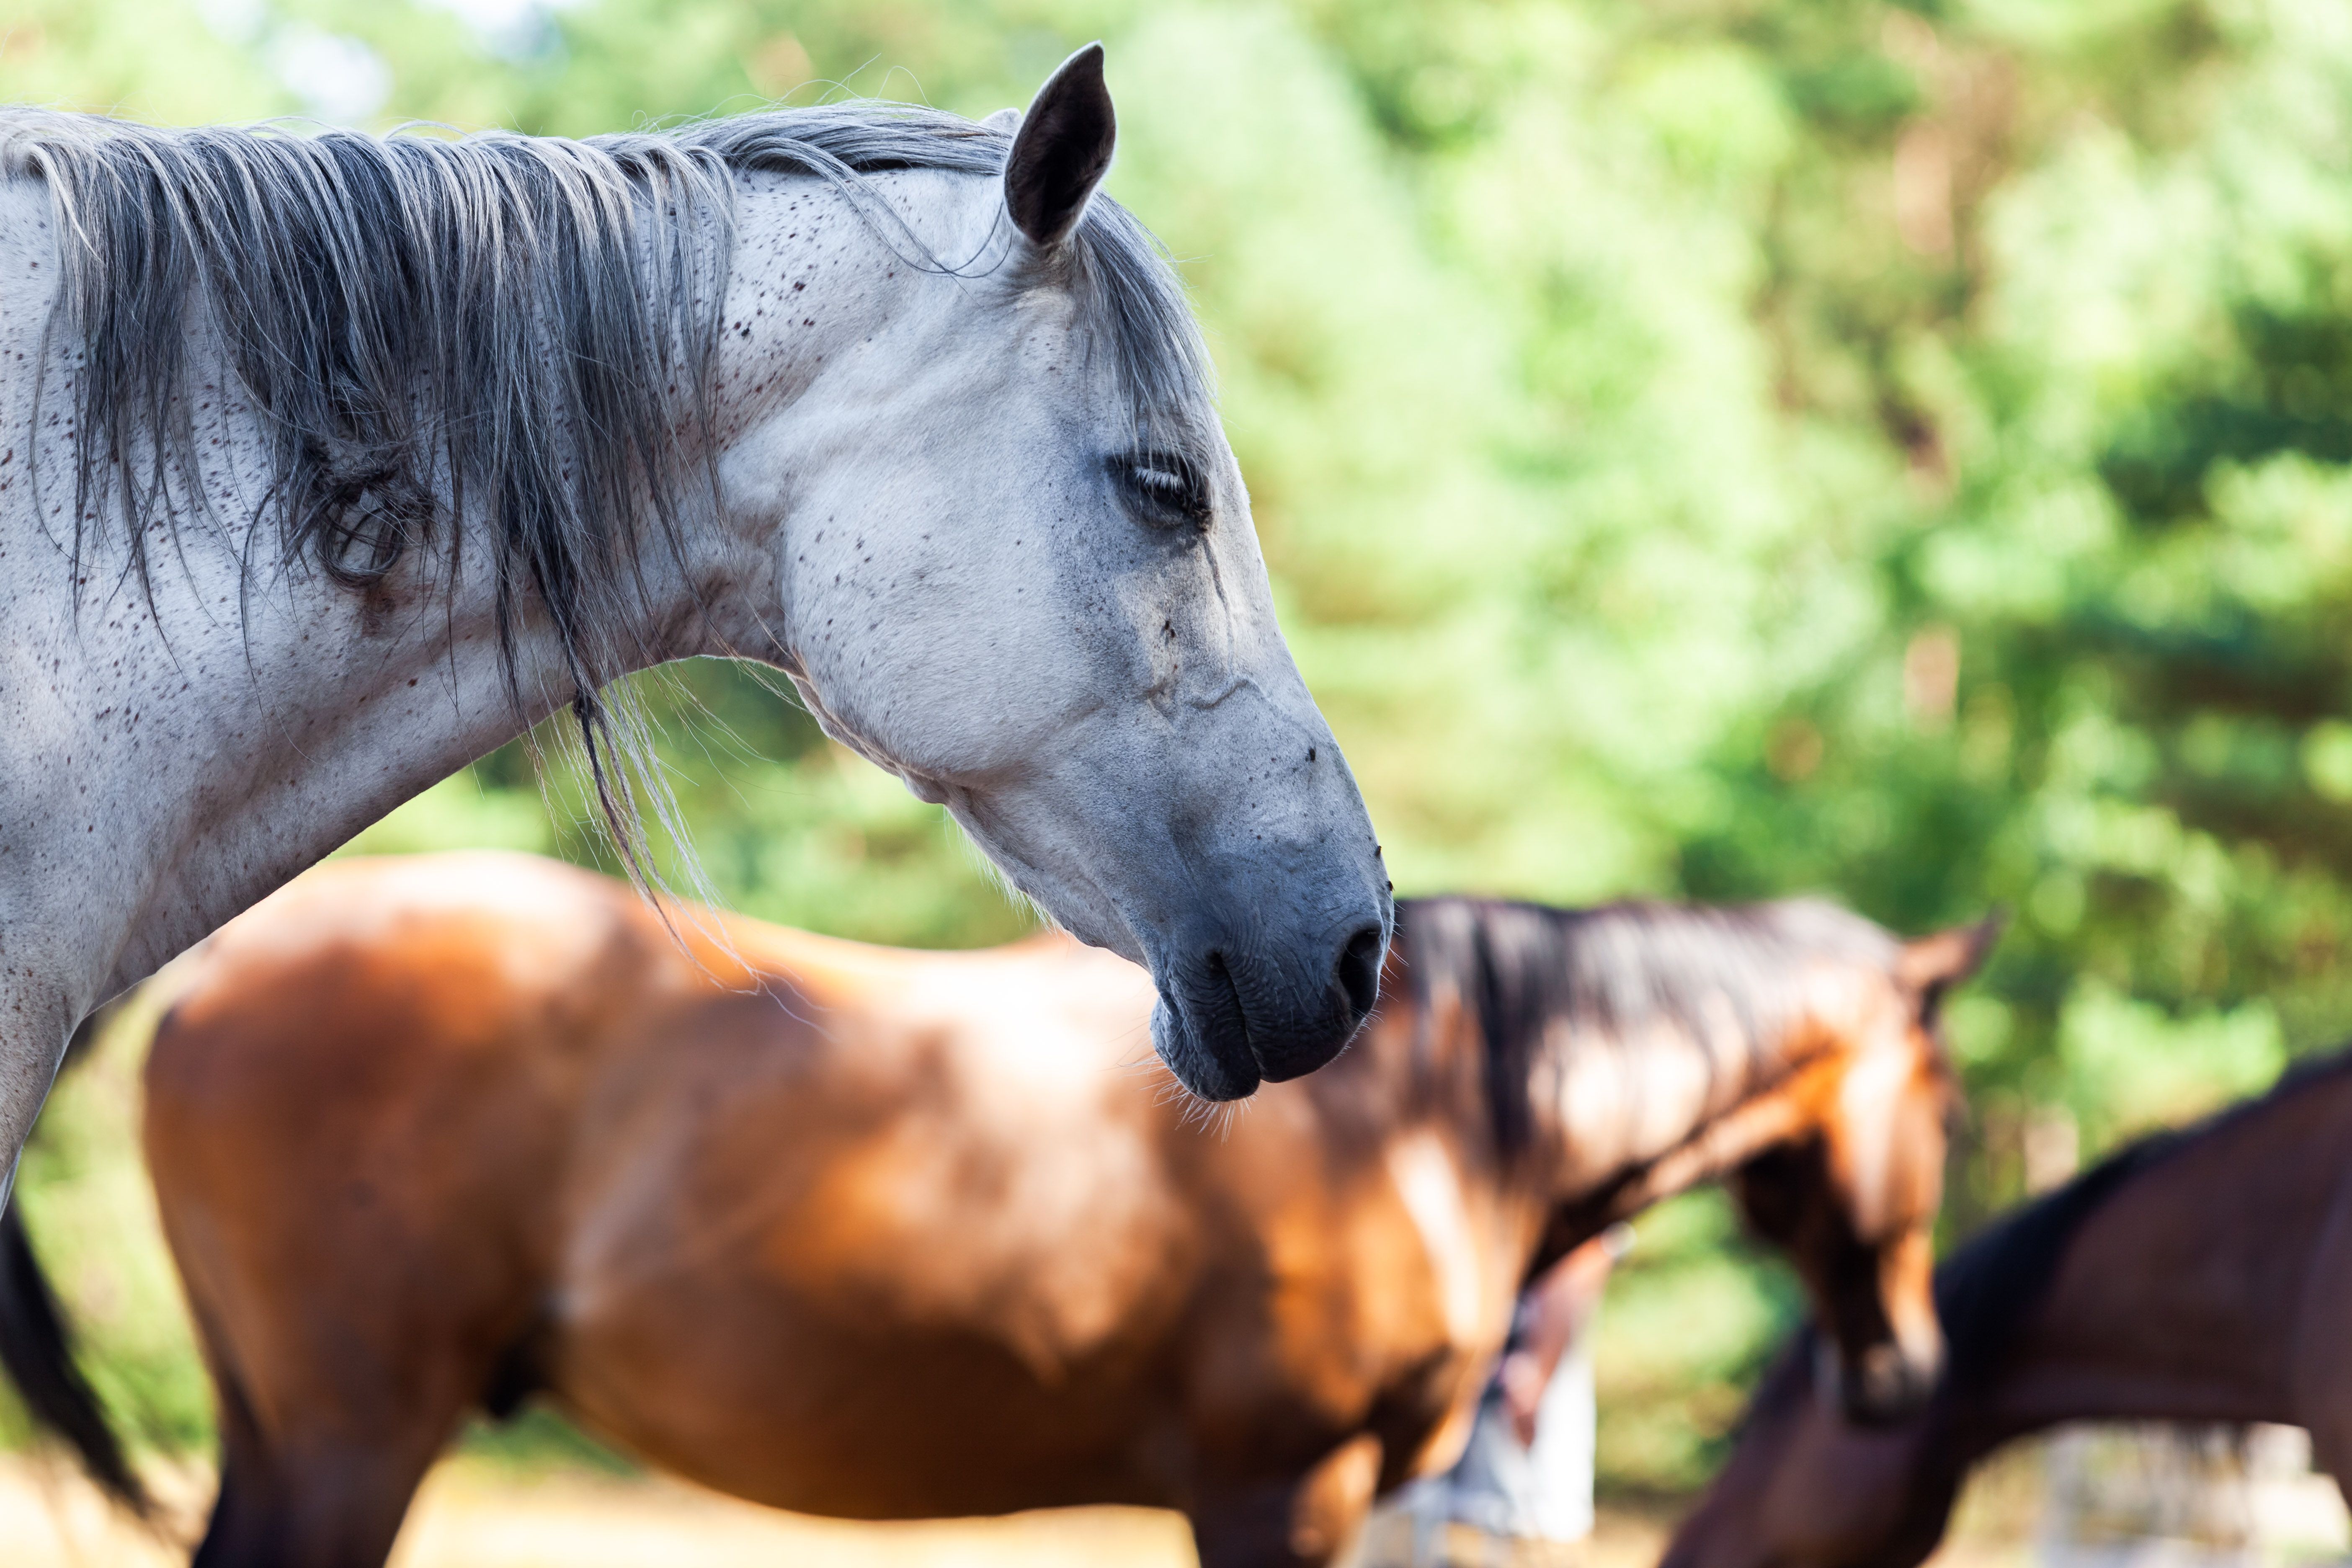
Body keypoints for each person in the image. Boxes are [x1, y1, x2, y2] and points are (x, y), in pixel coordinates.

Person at [1364, 1225, 1633, 1567]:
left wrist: (1538, 1369)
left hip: (1511, 1405)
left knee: (1517, 1539)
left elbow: (1586, 1252)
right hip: (1437, 1405)